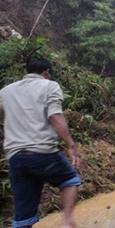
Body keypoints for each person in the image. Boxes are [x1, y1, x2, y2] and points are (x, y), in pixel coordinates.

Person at [0, 58, 81, 228]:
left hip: (15, 158)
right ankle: (67, 222)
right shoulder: (49, 86)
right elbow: (55, 116)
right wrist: (71, 144)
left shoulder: (6, 91)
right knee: (70, 180)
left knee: (23, 217)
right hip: (42, 152)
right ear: (46, 72)